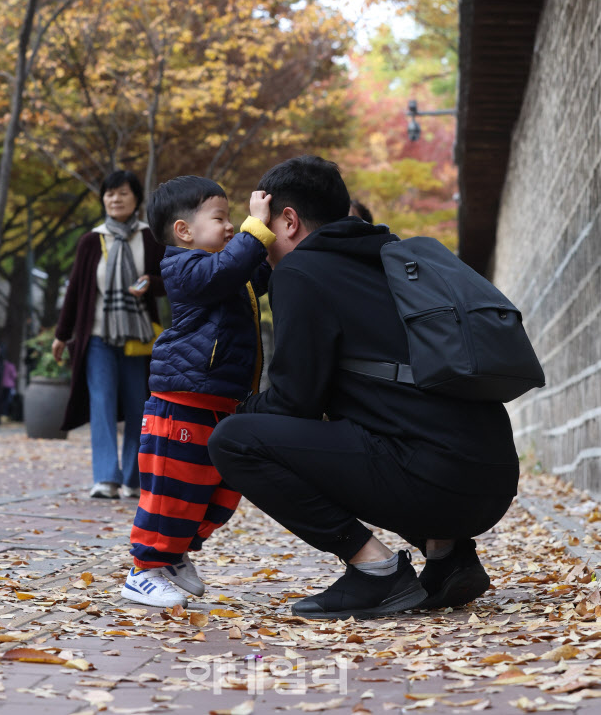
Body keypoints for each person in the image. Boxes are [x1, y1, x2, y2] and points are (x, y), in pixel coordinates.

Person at [208, 155, 519, 621]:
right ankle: (448, 558)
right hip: (492, 478)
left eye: (262, 227)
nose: (259, 244)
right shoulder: (392, 256)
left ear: (288, 221)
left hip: (437, 482)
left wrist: (238, 406)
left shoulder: (301, 272)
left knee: (234, 441)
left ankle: (375, 572)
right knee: (387, 419)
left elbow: (295, 401)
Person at [121, 176, 274, 609]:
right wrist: (256, 227)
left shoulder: (224, 270)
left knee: (219, 493)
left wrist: (278, 241)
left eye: (231, 220)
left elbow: (253, 268)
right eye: (220, 218)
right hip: (182, 400)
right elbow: (230, 267)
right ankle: (143, 568)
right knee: (174, 491)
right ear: (184, 231)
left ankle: (173, 555)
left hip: (220, 402)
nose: (230, 227)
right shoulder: (183, 268)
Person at [52, 169, 165, 499]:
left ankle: (133, 478)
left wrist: (150, 284)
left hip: (139, 339)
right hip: (98, 337)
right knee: (101, 403)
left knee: (137, 407)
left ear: (136, 199)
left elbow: (170, 278)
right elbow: (75, 291)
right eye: (109, 193)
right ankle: (105, 478)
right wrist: (62, 334)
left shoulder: (149, 237)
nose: (115, 199)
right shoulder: (92, 239)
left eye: (122, 193)